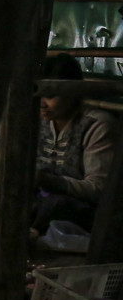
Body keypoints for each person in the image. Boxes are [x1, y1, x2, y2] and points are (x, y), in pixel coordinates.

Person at [35, 53, 116, 232]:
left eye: (51, 96)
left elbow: (99, 189)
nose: (42, 104)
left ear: (73, 93)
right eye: (38, 95)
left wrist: (46, 180)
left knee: (55, 204)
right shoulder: (37, 121)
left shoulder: (96, 125)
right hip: (44, 203)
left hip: (84, 211)